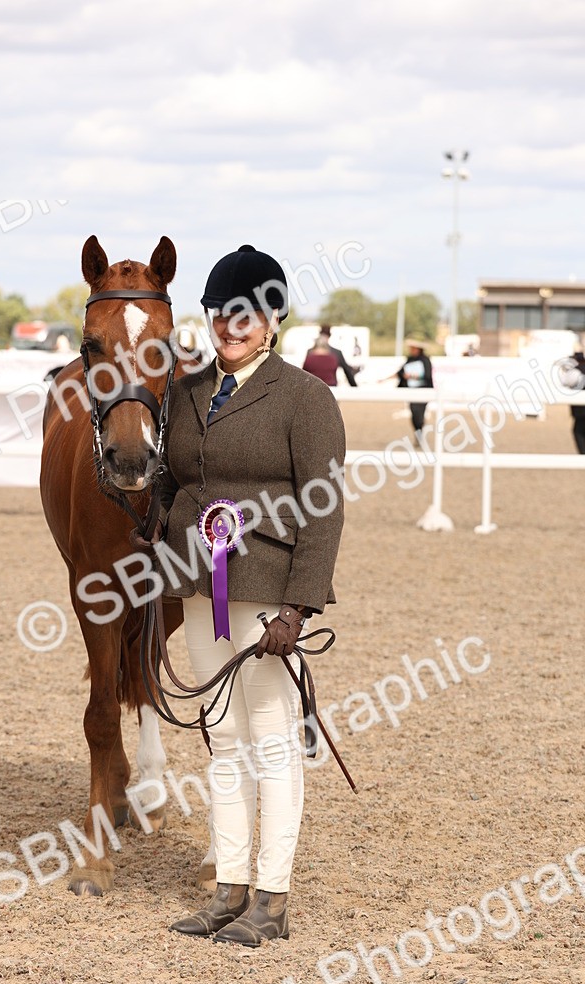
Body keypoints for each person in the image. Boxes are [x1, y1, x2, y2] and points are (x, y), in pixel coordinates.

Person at [132, 245, 346, 947]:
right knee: (222, 740)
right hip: (200, 586)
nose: (232, 324)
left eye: (247, 313)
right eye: (222, 312)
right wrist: (158, 531)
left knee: (273, 742)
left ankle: (272, 899)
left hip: (266, 590)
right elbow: (170, 481)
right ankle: (229, 888)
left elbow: (324, 508)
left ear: (274, 319)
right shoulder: (188, 394)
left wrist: (298, 607)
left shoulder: (305, 399)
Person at [383, 338, 434, 444]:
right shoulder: (409, 360)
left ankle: (419, 434)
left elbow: (427, 375)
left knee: (419, 414)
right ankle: (418, 433)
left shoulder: (425, 360)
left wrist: (411, 376)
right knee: (414, 414)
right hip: (412, 392)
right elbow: (400, 373)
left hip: (423, 391)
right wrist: (384, 379)